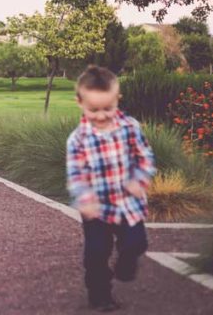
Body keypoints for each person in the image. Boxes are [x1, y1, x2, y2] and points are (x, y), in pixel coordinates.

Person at [66, 65, 156, 312]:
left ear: (118, 100)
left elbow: (145, 156)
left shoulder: (130, 127)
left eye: (108, 108)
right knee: (95, 254)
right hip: (96, 208)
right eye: (93, 110)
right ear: (80, 102)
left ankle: (126, 265)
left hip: (128, 203)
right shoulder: (78, 139)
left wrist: (139, 179)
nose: (102, 115)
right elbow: (76, 174)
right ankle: (100, 295)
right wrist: (85, 198)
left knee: (136, 244)